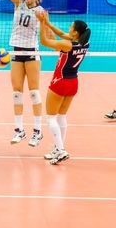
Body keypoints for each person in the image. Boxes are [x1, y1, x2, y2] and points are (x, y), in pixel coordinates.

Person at [35, 10, 91, 164]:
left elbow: (45, 42)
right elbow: (59, 36)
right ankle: (58, 148)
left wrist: (41, 23)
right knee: (61, 116)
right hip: (73, 83)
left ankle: (60, 150)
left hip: (60, 81)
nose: (68, 29)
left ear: (75, 32)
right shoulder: (83, 42)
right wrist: (47, 23)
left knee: (51, 117)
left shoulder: (67, 45)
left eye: (71, 27)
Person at [2, 0, 44, 147]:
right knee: (17, 92)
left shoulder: (42, 12)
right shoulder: (18, 2)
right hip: (16, 51)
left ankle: (38, 130)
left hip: (33, 52)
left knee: (34, 92)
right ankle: (19, 129)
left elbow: (45, 37)